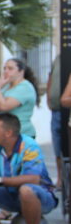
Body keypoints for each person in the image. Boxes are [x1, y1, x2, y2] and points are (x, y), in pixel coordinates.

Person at [0, 58, 38, 138]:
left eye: (10, 68)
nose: (6, 71)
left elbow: (4, 106)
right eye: (4, 68)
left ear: (21, 72)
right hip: (0, 137)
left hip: (19, 136)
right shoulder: (6, 86)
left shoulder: (24, 88)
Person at [46, 55, 62, 186]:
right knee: (57, 146)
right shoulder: (58, 58)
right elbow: (50, 77)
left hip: (66, 109)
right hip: (56, 109)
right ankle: (60, 179)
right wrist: (48, 97)